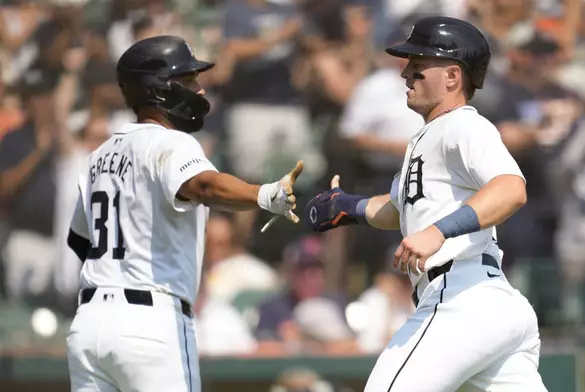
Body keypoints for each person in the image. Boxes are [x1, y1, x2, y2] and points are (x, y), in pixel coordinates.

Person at [304, 17, 548, 392]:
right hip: (487, 305)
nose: (406, 73)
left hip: (461, 298)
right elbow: (403, 209)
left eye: (419, 65)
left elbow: (511, 188)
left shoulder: (463, 125)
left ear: (452, 77)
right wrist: (348, 207)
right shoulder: (430, 135)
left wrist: (437, 232)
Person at [65, 35, 304, 392]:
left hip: (88, 323)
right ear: (158, 90)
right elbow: (205, 186)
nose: (200, 91)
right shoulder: (169, 142)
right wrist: (264, 194)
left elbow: (80, 240)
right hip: (150, 324)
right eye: (189, 81)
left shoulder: (97, 157)